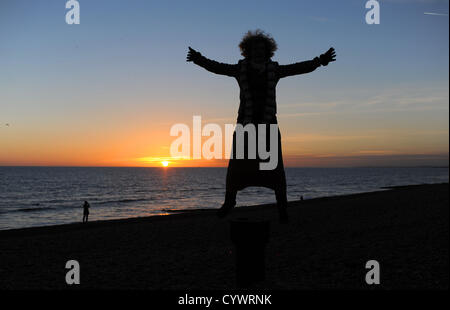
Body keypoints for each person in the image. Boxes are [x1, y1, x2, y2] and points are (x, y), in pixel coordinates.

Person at [187, 30, 336, 223]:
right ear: (247, 51)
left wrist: (320, 60)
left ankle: (282, 209)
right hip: (245, 127)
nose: (258, 51)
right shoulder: (240, 69)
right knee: (236, 169)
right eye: (254, 48)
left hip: (268, 128)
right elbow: (217, 68)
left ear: (268, 51)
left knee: (275, 171)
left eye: (261, 48)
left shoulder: (275, 70)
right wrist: (199, 59)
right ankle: (229, 202)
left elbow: (299, 68)